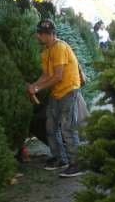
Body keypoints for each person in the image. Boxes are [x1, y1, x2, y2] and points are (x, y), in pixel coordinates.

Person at [27, 19, 84, 177]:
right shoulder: (46, 51)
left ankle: (77, 163)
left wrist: (37, 88)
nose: (38, 36)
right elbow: (46, 74)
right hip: (57, 92)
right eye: (39, 33)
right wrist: (34, 85)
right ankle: (60, 159)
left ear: (50, 35)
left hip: (69, 90)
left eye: (41, 34)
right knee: (51, 127)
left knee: (67, 128)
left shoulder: (59, 48)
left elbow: (58, 76)